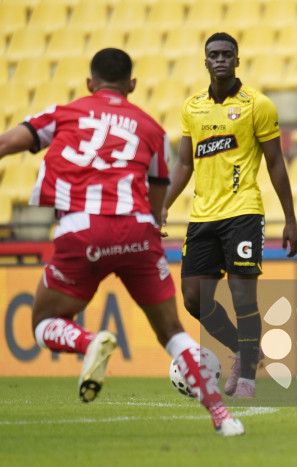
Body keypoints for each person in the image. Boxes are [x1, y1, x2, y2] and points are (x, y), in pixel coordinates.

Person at [0, 48, 244, 435]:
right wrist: (155, 219)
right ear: (131, 85)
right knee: (172, 332)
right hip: (136, 232)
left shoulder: (63, 113)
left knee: (45, 321)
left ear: (88, 83)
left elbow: (6, 144)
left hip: (82, 229)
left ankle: (89, 342)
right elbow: (159, 187)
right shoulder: (150, 128)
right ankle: (223, 418)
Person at [163, 32, 297, 399]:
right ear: (205, 61)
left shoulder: (257, 105)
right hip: (202, 216)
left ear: (237, 60)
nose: (220, 59)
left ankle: (248, 381)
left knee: (243, 299)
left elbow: (275, 163)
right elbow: (182, 162)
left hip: (243, 214)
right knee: (194, 299)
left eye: (227, 54)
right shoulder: (192, 108)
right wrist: (162, 205)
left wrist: (290, 218)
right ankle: (242, 350)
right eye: (214, 54)